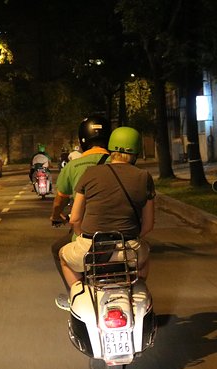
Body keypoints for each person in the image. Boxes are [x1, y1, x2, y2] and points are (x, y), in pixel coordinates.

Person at [56, 126, 155, 310]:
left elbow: (75, 219)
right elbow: (148, 225)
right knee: (145, 254)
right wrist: (130, 236)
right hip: (129, 250)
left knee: (63, 255)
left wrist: (82, 237)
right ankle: (134, 293)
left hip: (91, 250)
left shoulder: (90, 173)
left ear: (111, 149)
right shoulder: (144, 177)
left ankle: (77, 295)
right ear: (136, 152)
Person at [50, 115, 112, 293]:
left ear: (82, 140)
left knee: (58, 249)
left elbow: (60, 202)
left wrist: (55, 216)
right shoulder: (119, 164)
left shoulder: (73, 167)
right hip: (123, 235)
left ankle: (76, 293)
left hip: (87, 237)